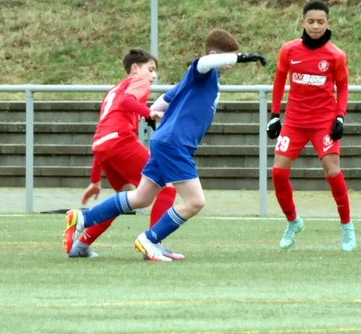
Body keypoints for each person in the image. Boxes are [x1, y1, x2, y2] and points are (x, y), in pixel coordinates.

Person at [64, 29, 266, 261]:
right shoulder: (204, 71)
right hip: (174, 144)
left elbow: (165, 99)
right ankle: (150, 239)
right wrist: (242, 57)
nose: (231, 63)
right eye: (228, 57)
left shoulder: (203, 81)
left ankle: (84, 218)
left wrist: (153, 114)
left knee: (141, 197)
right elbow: (202, 62)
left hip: (166, 142)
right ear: (214, 55)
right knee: (195, 201)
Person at [62, 48, 179, 259]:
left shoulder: (114, 90)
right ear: (135, 69)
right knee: (168, 184)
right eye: (150, 69)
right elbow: (128, 101)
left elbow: (102, 136)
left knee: (127, 196)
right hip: (121, 141)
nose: (153, 76)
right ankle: (153, 243)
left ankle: (81, 245)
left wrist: (95, 180)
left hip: (104, 147)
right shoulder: (139, 82)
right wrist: (150, 112)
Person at [265, 0, 355, 252]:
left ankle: (347, 226)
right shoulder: (289, 50)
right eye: (311, 21)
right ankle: (293, 222)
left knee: (332, 171)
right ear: (303, 21)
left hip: (323, 121)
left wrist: (340, 117)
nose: (316, 26)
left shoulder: (336, 55)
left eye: (320, 22)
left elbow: (343, 87)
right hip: (295, 121)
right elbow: (279, 80)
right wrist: (275, 115)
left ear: (328, 23)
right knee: (278, 173)